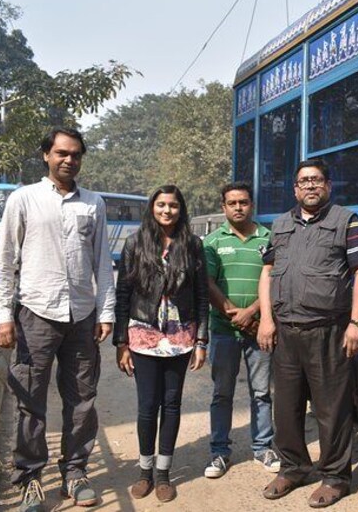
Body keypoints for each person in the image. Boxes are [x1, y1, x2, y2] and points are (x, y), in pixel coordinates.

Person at [0, 127, 115, 511]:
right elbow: (5, 259)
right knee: (30, 399)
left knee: (82, 400)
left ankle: (74, 472)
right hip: (35, 315)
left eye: (76, 154)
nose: (69, 160)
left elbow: (102, 263)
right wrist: (3, 315)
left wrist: (105, 311)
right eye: (61, 153)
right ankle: (29, 478)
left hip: (80, 315)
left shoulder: (93, 203)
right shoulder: (24, 198)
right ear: (46, 154)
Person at [258, 159, 358, 508]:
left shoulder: (346, 221)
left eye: (316, 180)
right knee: (286, 408)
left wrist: (356, 323)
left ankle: (335, 477)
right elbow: (267, 272)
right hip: (286, 333)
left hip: (327, 331)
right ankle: (293, 468)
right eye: (303, 181)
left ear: (328, 186)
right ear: (295, 189)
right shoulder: (279, 225)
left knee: (332, 410)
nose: (310, 186)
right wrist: (266, 318)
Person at [112, 185, 209, 503]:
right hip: (143, 335)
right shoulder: (135, 243)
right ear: (152, 208)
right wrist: (121, 342)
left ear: (181, 210)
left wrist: (201, 340)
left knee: (172, 404)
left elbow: (201, 295)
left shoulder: (193, 245)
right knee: (146, 406)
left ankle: (165, 474)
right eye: (161, 205)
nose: (167, 211)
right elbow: (123, 295)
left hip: (181, 336)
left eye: (174, 206)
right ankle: (145, 473)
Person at [202, 182, 279, 478]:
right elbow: (208, 284)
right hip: (224, 331)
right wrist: (234, 314)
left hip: (259, 330)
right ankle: (219, 452)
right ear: (223, 207)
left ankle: (262, 447)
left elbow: (273, 281)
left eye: (243, 202)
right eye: (232, 203)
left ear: (252, 205)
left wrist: (251, 313)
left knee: (261, 392)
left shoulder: (268, 238)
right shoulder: (211, 241)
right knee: (222, 393)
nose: (238, 207)